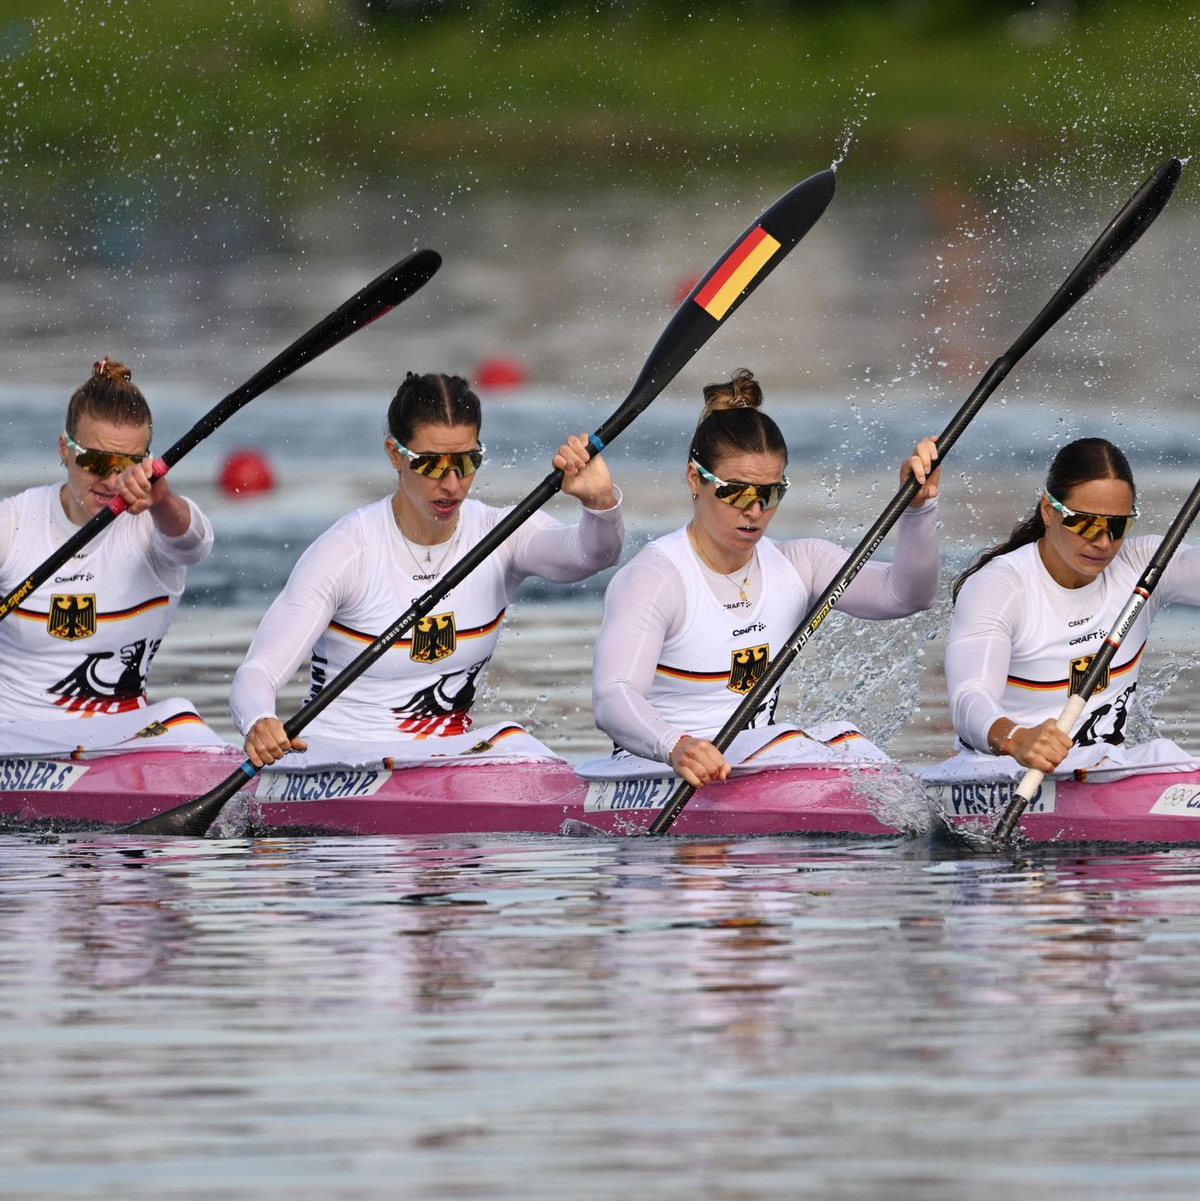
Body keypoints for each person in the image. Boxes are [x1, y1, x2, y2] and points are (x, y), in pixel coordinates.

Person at [231, 370, 623, 770]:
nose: (453, 484)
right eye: (433, 465)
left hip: (443, 763)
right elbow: (259, 670)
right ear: (394, 454)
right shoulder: (347, 550)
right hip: (336, 763)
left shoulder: (500, 535)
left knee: (512, 738)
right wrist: (259, 720)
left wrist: (600, 502)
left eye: (467, 462)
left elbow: (593, 556)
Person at [587, 368, 940, 788]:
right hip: (659, 772)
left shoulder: (801, 563)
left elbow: (908, 595)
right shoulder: (656, 578)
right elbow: (612, 697)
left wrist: (918, 510)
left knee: (848, 739)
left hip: (753, 766)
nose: (755, 510)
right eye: (737, 491)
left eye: (771, 493)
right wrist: (676, 745)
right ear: (695, 479)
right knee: (791, 740)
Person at [929, 436, 1200, 784]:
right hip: (1004, 775)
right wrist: (1016, 738)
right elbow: (969, 698)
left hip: (1104, 770)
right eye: (1086, 523)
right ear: (1048, 510)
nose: (1103, 542)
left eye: (1118, 526)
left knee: (1163, 755)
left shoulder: (1145, 567)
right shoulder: (1001, 586)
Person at [0, 357, 224, 754]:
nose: (110, 479)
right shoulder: (14, 524)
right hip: (16, 739)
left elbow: (196, 544)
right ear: (64, 450)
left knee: (182, 716)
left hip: (120, 741)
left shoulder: (155, 523)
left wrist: (163, 499)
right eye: (96, 461)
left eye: (128, 464)